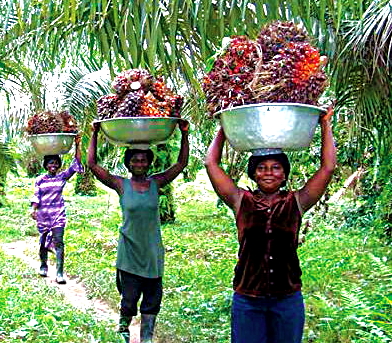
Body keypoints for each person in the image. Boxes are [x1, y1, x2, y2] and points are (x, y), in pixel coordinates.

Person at [204, 108, 336, 343]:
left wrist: (325, 124)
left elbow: (327, 168)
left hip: (287, 299)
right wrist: (225, 125)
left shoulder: (297, 202)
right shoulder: (240, 201)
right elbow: (211, 164)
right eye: (262, 168)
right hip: (248, 299)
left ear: (285, 175)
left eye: (276, 168)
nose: (268, 173)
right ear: (253, 174)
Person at [87, 120, 190, 343]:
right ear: (128, 163)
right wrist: (94, 133)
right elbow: (93, 164)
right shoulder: (121, 185)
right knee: (129, 298)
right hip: (129, 252)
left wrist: (184, 134)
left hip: (152, 252)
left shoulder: (157, 182)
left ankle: (147, 338)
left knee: (153, 298)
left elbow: (181, 163)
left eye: (143, 160)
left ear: (149, 163)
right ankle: (123, 333)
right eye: (135, 160)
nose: (140, 163)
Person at [30, 134, 83, 284]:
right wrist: (33, 210)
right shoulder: (40, 180)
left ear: (58, 165)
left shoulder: (62, 177)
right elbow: (36, 196)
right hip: (43, 216)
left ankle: (59, 273)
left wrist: (77, 145)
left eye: (55, 163)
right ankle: (43, 265)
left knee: (59, 242)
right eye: (50, 163)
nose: (53, 166)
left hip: (58, 215)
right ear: (46, 165)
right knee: (43, 243)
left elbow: (76, 163)